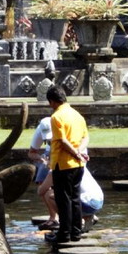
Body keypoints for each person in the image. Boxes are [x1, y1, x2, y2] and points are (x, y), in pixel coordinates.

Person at [46, 85, 89, 243]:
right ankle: (76, 233)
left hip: (63, 164)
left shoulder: (56, 117)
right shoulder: (77, 115)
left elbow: (63, 141)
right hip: (78, 165)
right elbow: (86, 137)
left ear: (52, 101)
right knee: (75, 199)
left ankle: (64, 234)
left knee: (63, 200)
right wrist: (80, 152)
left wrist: (75, 152)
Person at [26, 114, 58, 229]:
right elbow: (31, 152)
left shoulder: (61, 126)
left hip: (64, 152)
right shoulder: (39, 131)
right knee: (41, 182)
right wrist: (41, 159)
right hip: (48, 155)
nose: (49, 140)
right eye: (47, 140)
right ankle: (53, 217)